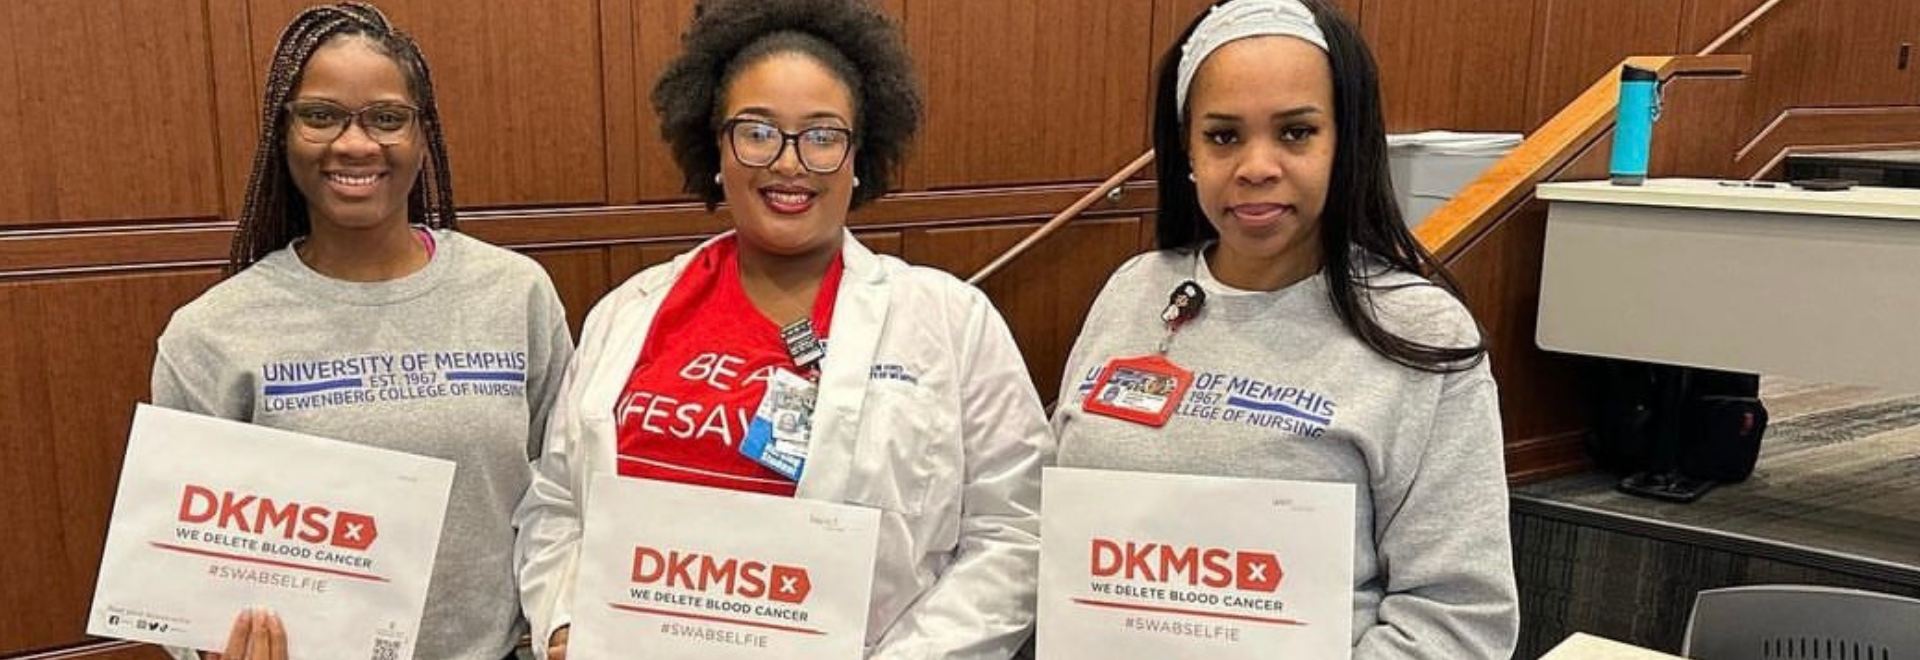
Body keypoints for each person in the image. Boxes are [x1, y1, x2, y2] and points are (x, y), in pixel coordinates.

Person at [511, 1, 1050, 658]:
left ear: (860, 157)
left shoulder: (951, 323)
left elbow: (1016, 534)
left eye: (822, 136)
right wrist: (566, 620)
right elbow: (558, 505)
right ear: (716, 148)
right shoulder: (630, 312)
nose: (790, 163)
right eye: (758, 131)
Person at [1050, 0, 1520, 658]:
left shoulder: (1420, 328)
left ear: (1344, 142)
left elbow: (1458, 617)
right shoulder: (1133, 290)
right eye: (1223, 136)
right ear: (1186, 149)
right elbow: (1055, 530)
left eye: (1295, 133)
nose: (1256, 166)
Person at [149, 4, 573, 660]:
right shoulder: (210, 335)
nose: (355, 143)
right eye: (320, 116)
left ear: (423, 135)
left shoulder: (515, 293)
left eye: (386, 117)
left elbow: (564, 492)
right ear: (282, 134)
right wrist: (211, 647)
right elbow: (179, 571)